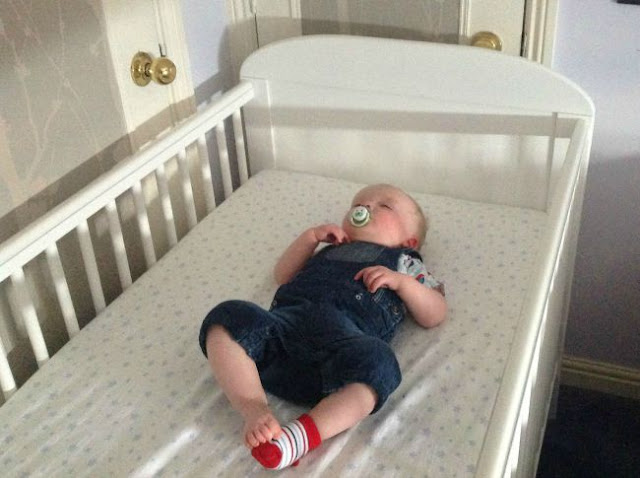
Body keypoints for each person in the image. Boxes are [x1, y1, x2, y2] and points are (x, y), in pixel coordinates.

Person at [199, 183, 447, 470]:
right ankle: (254, 407)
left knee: (381, 365)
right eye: (360, 203)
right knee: (228, 316)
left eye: (384, 206)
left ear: (409, 241)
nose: (365, 208)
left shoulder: (405, 262)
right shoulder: (328, 248)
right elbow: (282, 275)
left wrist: (402, 282)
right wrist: (310, 239)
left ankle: (300, 437)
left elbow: (435, 313)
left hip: (340, 353)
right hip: (281, 334)